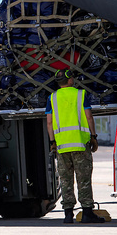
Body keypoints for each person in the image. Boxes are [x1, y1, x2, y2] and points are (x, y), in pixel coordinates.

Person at [46, 69, 104, 224]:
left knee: (65, 180)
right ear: (70, 80)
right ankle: (86, 213)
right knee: (83, 179)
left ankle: (68, 215)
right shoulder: (81, 95)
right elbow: (89, 116)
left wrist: (53, 142)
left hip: (62, 146)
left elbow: (49, 122)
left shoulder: (52, 97)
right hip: (80, 144)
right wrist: (93, 137)